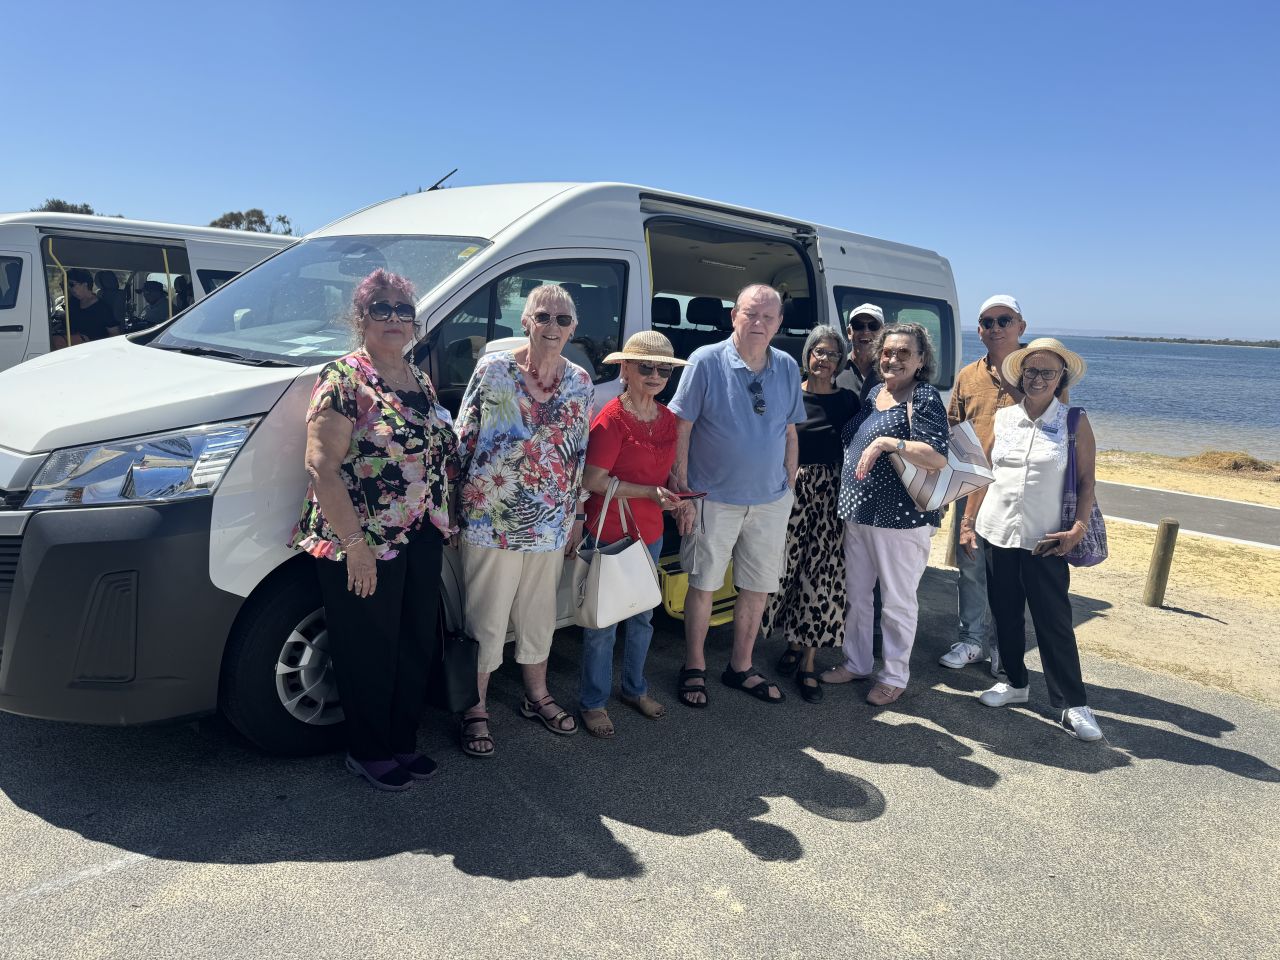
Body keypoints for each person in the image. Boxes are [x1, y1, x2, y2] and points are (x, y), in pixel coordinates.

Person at [291, 268, 459, 791]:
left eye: (402, 309)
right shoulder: (343, 379)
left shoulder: (419, 378)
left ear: (414, 322)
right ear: (360, 318)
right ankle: (367, 750)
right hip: (363, 539)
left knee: (413, 642)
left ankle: (401, 741)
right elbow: (321, 466)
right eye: (380, 308)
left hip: (420, 532)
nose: (393, 318)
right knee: (369, 645)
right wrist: (355, 546)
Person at [454, 283, 594, 755]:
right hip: (490, 517)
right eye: (543, 316)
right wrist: (451, 509)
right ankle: (475, 707)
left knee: (539, 615)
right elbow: (464, 437)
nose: (552, 326)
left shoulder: (579, 381)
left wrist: (576, 514)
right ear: (526, 321)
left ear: (574, 328)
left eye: (562, 319)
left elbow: (578, 454)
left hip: (550, 521)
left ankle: (536, 695)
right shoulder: (494, 370)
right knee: (486, 617)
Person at [668, 283, 806, 708]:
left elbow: (789, 429)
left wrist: (788, 481)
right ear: (734, 316)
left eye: (768, 316)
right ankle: (694, 665)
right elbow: (682, 428)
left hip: (770, 501)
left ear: (780, 323)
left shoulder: (784, 365)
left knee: (757, 587)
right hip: (713, 497)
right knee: (704, 583)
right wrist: (684, 492)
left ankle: (740, 667)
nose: (758, 323)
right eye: (750, 313)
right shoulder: (705, 361)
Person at [960, 338, 1104, 741]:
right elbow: (983, 473)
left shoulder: (1074, 421)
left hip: (1047, 539)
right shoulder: (1005, 418)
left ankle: (1074, 704)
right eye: (1031, 370)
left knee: (1053, 622)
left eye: (1048, 372)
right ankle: (1014, 683)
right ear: (1020, 375)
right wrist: (969, 523)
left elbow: (1087, 481)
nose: (1038, 378)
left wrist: (1077, 528)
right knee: (1004, 613)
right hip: (997, 531)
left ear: (1061, 379)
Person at [576, 331, 694, 738]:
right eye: (646, 367)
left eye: (663, 369)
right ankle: (593, 702)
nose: (655, 375)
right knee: (603, 624)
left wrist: (684, 498)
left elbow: (672, 475)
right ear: (624, 369)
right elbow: (593, 480)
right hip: (610, 532)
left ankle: (633, 688)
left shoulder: (668, 419)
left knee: (643, 618)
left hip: (650, 532)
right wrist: (647, 492)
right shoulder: (610, 418)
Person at [824, 323, 949, 705]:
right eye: (887, 352)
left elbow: (937, 457)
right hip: (858, 512)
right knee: (857, 596)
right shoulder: (876, 391)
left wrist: (887, 442)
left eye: (904, 353)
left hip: (899, 519)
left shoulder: (924, 397)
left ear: (921, 360)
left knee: (896, 601)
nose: (893, 359)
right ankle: (857, 662)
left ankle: (894, 675)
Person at [765, 325, 860, 703]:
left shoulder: (849, 400)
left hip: (831, 496)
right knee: (785, 570)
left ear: (841, 360)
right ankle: (791, 640)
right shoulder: (788, 394)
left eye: (833, 354)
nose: (824, 360)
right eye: (818, 352)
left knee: (821, 576)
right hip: (791, 490)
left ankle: (808, 661)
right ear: (807, 356)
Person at [940, 294, 1031, 675]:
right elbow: (953, 431)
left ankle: (1004, 647)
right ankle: (972, 640)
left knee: (1012, 573)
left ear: (1021, 326)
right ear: (979, 330)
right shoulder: (967, 375)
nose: (996, 328)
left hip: (1019, 490)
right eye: (988, 322)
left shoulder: (1038, 371)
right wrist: (946, 487)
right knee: (972, 567)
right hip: (972, 486)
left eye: (1004, 320)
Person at [56, 268, 119, 345]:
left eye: (71, 284)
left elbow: (114, 334)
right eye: (66, 285)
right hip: (73, 341)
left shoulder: (102, 308)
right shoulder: (73, 302)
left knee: (57, 341)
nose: (69, 288)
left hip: (90, 345)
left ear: (85, 284)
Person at [834, 303, 883, 402]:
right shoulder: (834, 367)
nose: (866, 331)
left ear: (883, 332)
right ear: (849, 332)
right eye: (858, 325)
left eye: (873, 326)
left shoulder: (890, 370)